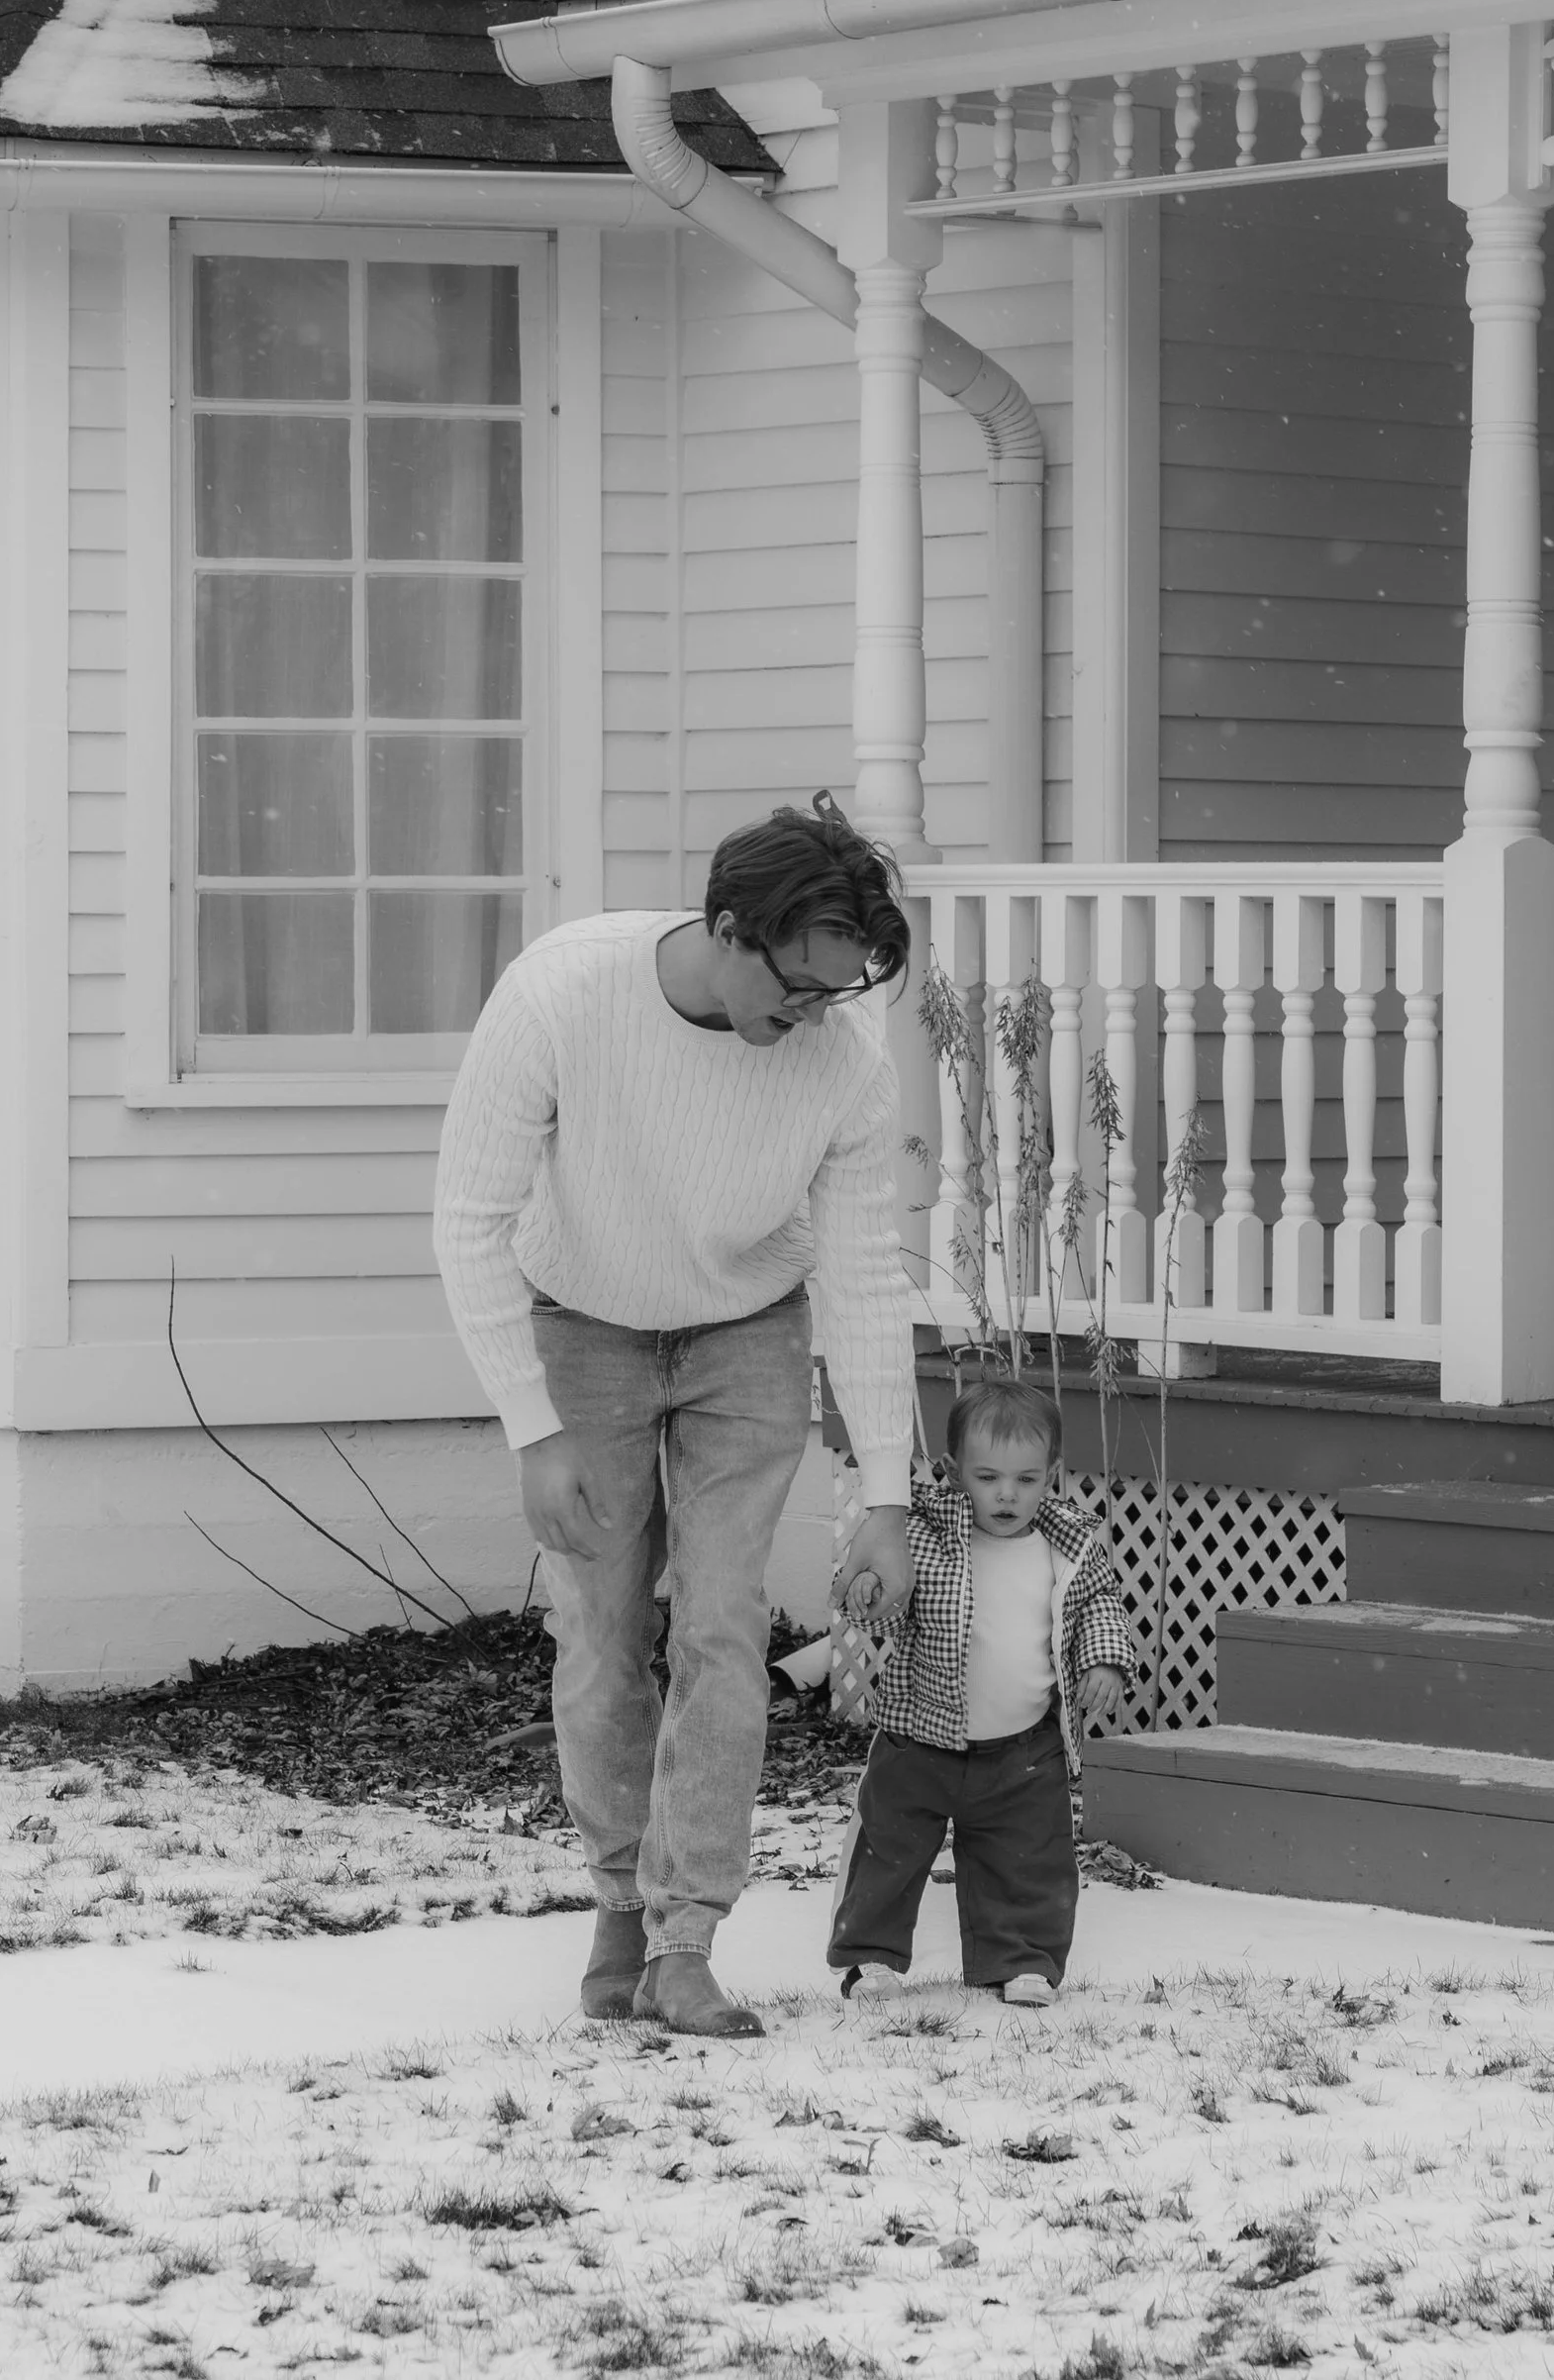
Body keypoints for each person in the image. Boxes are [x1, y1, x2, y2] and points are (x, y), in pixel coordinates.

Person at [432, 792, 921, 2037]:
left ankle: (688, 1937)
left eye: (833, 994)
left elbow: (864, 1275)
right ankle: (616, 1902)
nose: (811, 1017)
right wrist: (530, 1427)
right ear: (726, 926)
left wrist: (885, 1497)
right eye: (796, 988)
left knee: (720, 1624)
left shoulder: (842, 1066)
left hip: (747, 1331)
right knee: (600, 1632)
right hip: (581, 1323)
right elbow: (469, 1220)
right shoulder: (559, 995)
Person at [827, 1375, 1136, 2006]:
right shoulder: (926, 1536)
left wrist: (1103, 1661)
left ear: (1051, 1473)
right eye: (988, 1476)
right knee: (889, 1847)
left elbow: (1100, 1605)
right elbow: (890, 1605)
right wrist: (869, 1596)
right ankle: (870, 1958)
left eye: (1026, 1480)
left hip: (1022, 1749)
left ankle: (1022, 1959)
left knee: (1030, 1856)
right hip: (919, 1740)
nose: (1006, 1495)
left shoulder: (1068, 1546)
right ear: (955, 1470)